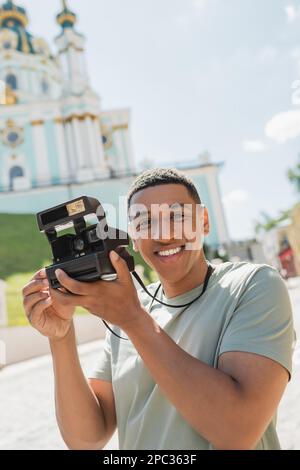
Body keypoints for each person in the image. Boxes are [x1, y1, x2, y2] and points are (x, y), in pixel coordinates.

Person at [22, 168, 295, 450]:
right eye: (146, 223)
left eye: (177, 217)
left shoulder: (253, 285)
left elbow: (237, 432)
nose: (163, 236)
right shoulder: (125, 313)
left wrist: (133, 319)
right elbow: (85, 439)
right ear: (134, 240)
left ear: (203, 222)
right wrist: (60, 336)